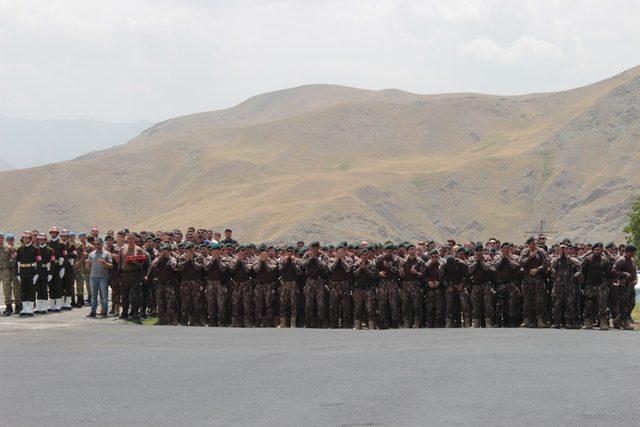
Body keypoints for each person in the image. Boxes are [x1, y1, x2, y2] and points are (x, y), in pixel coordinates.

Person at [86, 238, 112, 317]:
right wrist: (87, 264)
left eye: (98, 244)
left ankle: (104, 312)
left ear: (102, 244)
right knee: (93, 295)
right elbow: (88, 267)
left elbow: (111, 265)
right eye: (95, 244)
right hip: (93, 277)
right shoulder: (91, 254)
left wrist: (104, 263)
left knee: (104, 295)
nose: (97, 246)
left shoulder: (107, 254)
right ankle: (93, 312)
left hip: (103, 277)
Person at [16, 231, 38, 316]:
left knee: (31, 291)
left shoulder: (35, 249)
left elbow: (38, 262)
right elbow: (17, 262)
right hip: (23, 272)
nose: (26, 240)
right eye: (24, 238)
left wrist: (37, 274)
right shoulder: (20, 249)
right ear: (22, 239)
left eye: (27, 238)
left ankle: (30, 309)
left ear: (30, 239)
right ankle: (25, 309)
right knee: (24, 291)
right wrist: (17, 274)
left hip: (32, 272)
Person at [0, 232, 20, 316]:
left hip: (6, 271)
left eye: (1, 237)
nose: (0, 239)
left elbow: (15, 257)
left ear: (3, 238)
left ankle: (10, 307)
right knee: (6, 289)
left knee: (7, 289)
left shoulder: (9, 248)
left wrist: (11, 266)